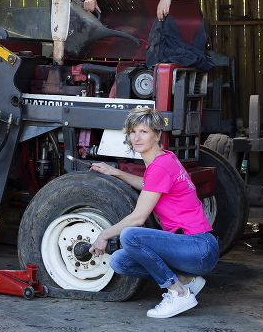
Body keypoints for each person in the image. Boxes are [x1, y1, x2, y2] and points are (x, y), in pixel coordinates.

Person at [88, 108, 218, 318]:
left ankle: (178, 293)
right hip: (192, 248)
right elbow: (150, 187)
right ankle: (186, 280)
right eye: (133, 132)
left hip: (198, 247)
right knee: (120, 261)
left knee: (130, 235)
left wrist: (104, 235)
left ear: (157, 135)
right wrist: (115, 172)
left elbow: (138, 218)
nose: (136, 137)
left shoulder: (160, 166)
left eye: (144, 131)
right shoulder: (164, 159)